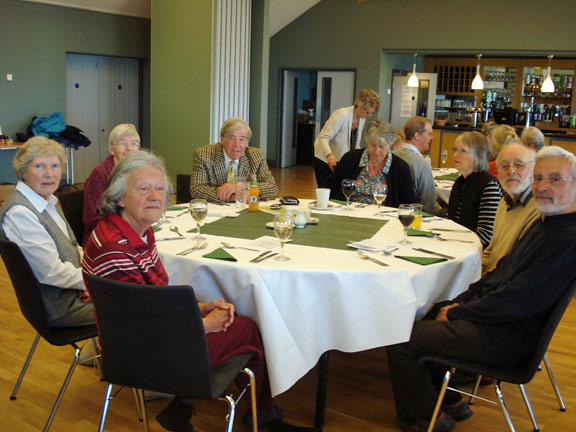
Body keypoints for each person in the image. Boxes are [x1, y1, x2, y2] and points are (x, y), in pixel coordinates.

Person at [82, 150, 288, 432]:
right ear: (119, 197)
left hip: (142, 341)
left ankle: (183, 408)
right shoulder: (115, 249)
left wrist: (199, 309)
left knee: (230, 317)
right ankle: (261, 413)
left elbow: (154, 301)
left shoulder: (137, 230)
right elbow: (145, 327)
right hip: (141, 355)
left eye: (159, 188)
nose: (155, 196)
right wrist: (203, 324)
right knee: (249, 329)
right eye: (143, 189)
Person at [387, 145, 576, 432]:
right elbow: (501, 273)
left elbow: (519, 299)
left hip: (508, 337)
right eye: (538, 178)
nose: (542, 186)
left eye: (554, 179)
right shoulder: (546, 222)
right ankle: (450, 401)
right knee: (431, 310)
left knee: (402, 339)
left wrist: (460, 312)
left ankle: (425, 418)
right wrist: (458, 304)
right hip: (500, 320)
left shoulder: (567, 238)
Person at [0, 137, 93, 327]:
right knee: (143, 306)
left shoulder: (46, 201)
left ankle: (94, 355)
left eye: (55, 166)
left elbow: (75, 249)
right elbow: (51, 272)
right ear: (24, 172)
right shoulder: (20, 213)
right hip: (60, 307)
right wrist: (93, 284)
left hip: (74, 291)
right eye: (40, 166)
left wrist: (92, 278)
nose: (50, 174)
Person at [322, 119, 416, 206]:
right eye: (373, 145)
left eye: (381, 146)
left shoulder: (400, 167)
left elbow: (408, 203)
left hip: (385, 218)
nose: (376, 151)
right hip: (350, 215)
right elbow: (329, 186)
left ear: (390, 144)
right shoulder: (351, 158)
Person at [190, 117, 278, 203]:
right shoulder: (203, 155)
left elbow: (272, 187)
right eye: (232, 138)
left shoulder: (256, 156)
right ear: (222, 139)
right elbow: (197, 189)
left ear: (247, 141)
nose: (237, 144)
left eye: (242, 139)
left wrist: (241, 186)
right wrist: (235, 197)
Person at [482, 143, 539, 274]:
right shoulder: (504, 201)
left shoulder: (538, 210)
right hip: (490, 280)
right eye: (504, 166)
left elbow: (515, 267)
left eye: (519, 165)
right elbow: (491, 251)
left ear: (533, 169)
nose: (511, 171)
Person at [82, 123, 140, 245]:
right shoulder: (100, 174)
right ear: (111, 149)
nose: (129, 148)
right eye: (123, 143)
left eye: (134, 143)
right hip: (105, 240)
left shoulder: (138, 171)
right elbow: (91, 218)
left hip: (133, 231)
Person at [313, 89, 380, 186]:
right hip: (324, 159)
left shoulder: (361, 119)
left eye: (371, 113)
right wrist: (329, 156)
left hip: (340, 160)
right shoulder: (341, 115)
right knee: (327, 191)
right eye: (368, 112)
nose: (369, 115)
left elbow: (355, 144)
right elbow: (323, 138)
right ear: (360, 105)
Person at [447, 131, 502, 248]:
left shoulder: (488, 186)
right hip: (457, 243)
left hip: (475, 251)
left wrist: (457, 247)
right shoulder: (460, 182)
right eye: (455, 150)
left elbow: (486, 235)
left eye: (462, 151)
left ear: (478, 155)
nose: (456, 155)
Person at [393, 117, 436, 214]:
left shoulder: (391, 156)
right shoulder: (421, 163)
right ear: (417, 135)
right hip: (413, 216)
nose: (432, 138)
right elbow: (429, 203)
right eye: (429, 134)